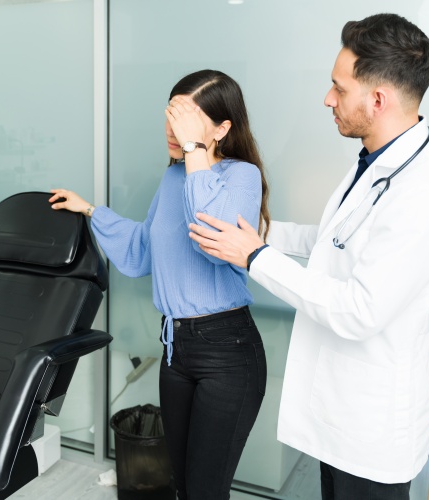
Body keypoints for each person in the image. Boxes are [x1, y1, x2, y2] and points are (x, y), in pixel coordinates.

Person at [187, 14, 429, 500]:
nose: (327, 99)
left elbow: (360, 308)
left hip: (372, 423)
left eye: (338, 89)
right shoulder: (376, 161)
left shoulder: (428, 194)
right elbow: (338, 239)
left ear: (377, 99)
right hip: (343, 414)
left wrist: (255, 256)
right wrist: (261, 232)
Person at [49, 69, 269, 500]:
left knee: (206, 491)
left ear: (222, 128)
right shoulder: (172, 179)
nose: (173, 129)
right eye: (170, 116)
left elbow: (214, 242)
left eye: (186, 119)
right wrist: (91, 211)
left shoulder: (240, 176)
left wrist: (193, 152)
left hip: (227, 352)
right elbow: (143, 250)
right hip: (175, 348)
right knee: (182, 485)